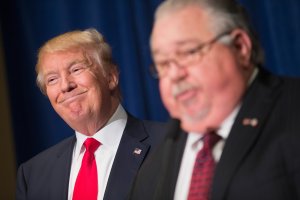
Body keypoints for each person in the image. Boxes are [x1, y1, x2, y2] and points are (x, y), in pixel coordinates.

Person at [130, 0, 300, 199]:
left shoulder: (293, 111)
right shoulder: (154, 164)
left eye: (188, 52)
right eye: (163, 64)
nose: (174, 74)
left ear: (240, 47)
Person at [16, 28, 165, 200]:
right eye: (52, 79)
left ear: (110, 77)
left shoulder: (169, 145)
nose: (65, 86)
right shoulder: (32, 175)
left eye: (76, 69)